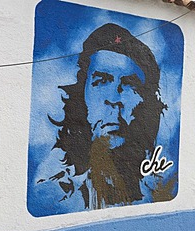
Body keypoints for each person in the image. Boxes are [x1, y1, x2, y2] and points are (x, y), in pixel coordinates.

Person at [42, 23, 167, 209]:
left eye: (129, 84)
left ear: (146, 100)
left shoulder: (158, 184)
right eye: (101, 81)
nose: (113, 99)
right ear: (82, 92)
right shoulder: (56, 189)